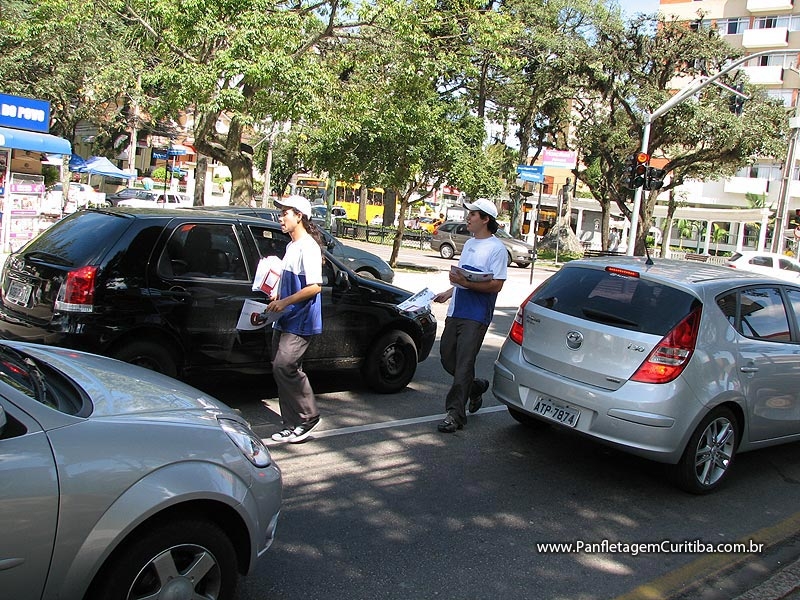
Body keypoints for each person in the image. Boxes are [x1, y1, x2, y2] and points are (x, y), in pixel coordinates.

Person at [433, 199, 507, 433]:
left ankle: (454, 415)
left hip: (476, 315)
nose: (468, 217)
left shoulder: (497, 249)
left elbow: (496, 285)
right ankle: (475, 387)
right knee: (447, 357)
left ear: (485, 219)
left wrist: (465, 283)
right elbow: (464, 279)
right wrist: (449, 292)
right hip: (457, 310)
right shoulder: (470, 244)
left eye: (473, 214)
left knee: (464, 364)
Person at [267, 194, 325, 444]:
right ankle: (291, 424)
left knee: (285, 365)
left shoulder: (308, 247)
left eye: (285, 214)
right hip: (286, 318)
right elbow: (289, 282)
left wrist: (285, 302)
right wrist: (276, 296)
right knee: (281, 369)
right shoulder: (291, 246)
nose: (280, 218)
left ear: (299, 216)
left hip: (301, 320)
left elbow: (314, 287)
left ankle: (309, 416)